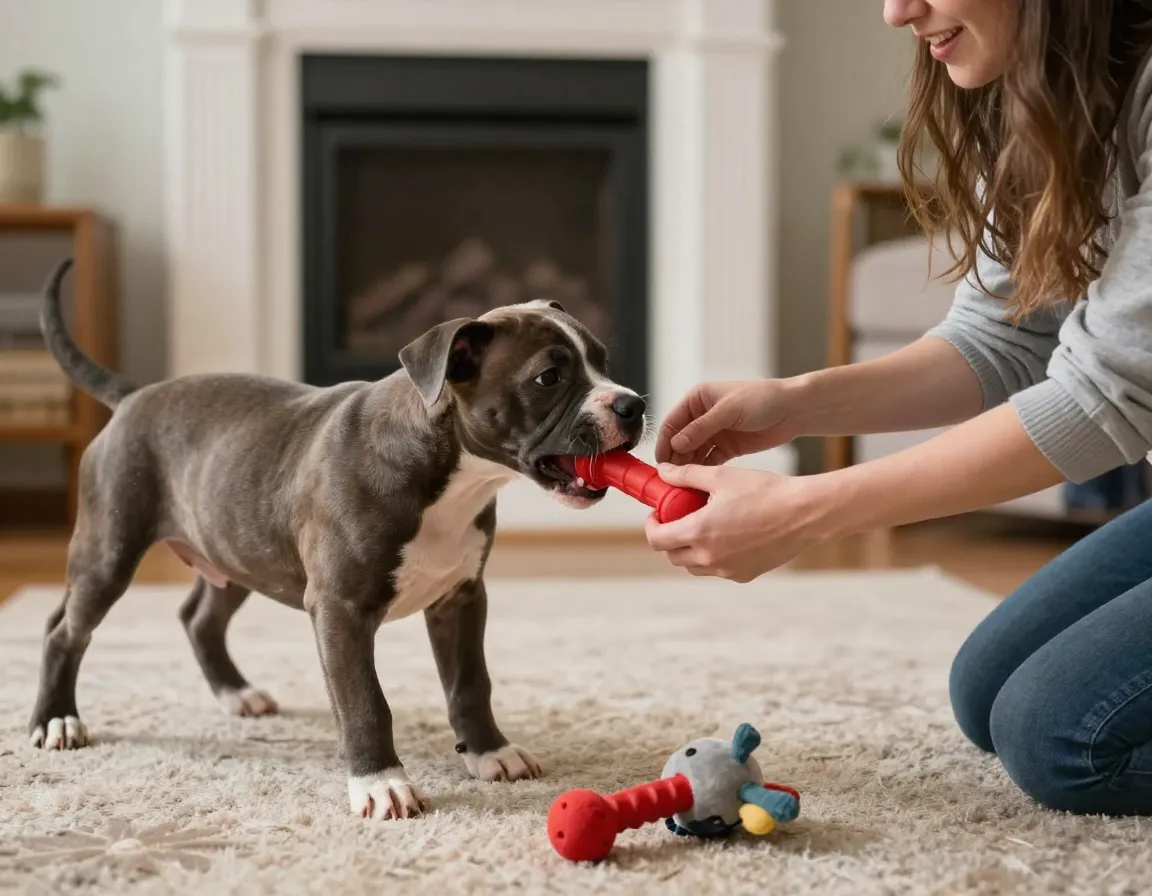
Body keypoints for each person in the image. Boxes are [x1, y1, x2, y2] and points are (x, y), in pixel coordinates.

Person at [644, 0, 1152, 817]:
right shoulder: (1041, 91)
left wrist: (805, 511)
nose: (895, 12)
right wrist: (798, 405)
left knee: (1062, 738)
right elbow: (1004, 339)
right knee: (984, 689)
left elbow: (1105, 397)